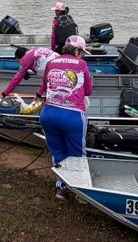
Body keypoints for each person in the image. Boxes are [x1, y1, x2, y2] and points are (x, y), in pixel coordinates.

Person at [35, 35, 93, 199]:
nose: (82, 56)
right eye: (82, 52)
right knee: (77, 154)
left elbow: (44, 85)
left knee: (58, 152)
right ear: (76, 50)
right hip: (72, 115)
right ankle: (80, 192)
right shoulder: (82, 64)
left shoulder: (51, 62)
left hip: (49, 114)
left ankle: (61, 188)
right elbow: (88, 91)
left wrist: (38, 95)